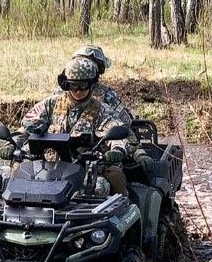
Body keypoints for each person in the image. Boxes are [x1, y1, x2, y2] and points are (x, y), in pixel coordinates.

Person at [12, 55, 136, 196]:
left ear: (91, 84)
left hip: (84, 169)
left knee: (102, 186)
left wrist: (117, 150)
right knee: (17, 177)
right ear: (66, 84)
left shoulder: (101, 110)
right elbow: (27, 126)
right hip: (48, 167)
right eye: (73, 85)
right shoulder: (51, 104)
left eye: (83, 85)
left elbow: (116, 130)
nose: (78, 91)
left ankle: (119, 210)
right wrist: (13, 143)